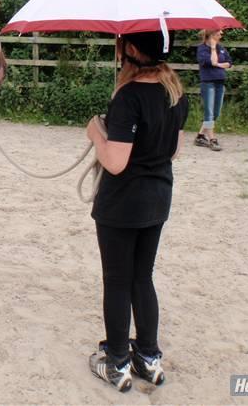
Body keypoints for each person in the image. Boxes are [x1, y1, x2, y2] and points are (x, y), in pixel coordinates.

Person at [85, 30, 188, 392]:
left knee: (117, 280)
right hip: (157, 200)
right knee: (142, 278)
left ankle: (116, 362)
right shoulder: (174, 93)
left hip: (122, 204)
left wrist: (97, 133)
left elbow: (114, 162)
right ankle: (147, 355)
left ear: (129, 49)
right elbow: (174, 150)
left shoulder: (129, 97)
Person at [194, 29, 233, 151]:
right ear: (211, 34)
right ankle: (212, 140)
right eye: (219, 32)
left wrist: (219, 65)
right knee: (209, 113)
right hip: (208, 83)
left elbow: (229, 63)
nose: (221, 34)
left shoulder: (221, 48)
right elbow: (212, 61)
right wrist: (212, 48)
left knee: (215, 113)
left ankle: (200, 136)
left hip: (220, 83)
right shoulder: (202, 49)